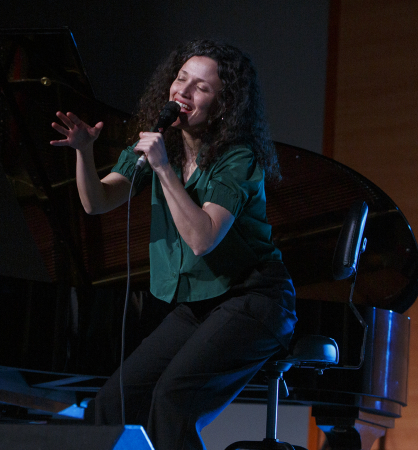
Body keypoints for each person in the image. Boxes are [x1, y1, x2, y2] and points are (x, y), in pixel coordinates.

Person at [50, 39, 297, 450]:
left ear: (224, 103)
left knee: (173, 400)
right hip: (201, 304)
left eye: (201, 87)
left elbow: (202, 239)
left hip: (255, 299)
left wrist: (164, 168)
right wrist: (85, 153)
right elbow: (97, 202)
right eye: (181, 78)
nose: (183, 91)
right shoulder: (159, 144)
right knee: (113, 404)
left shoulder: (238, 157)